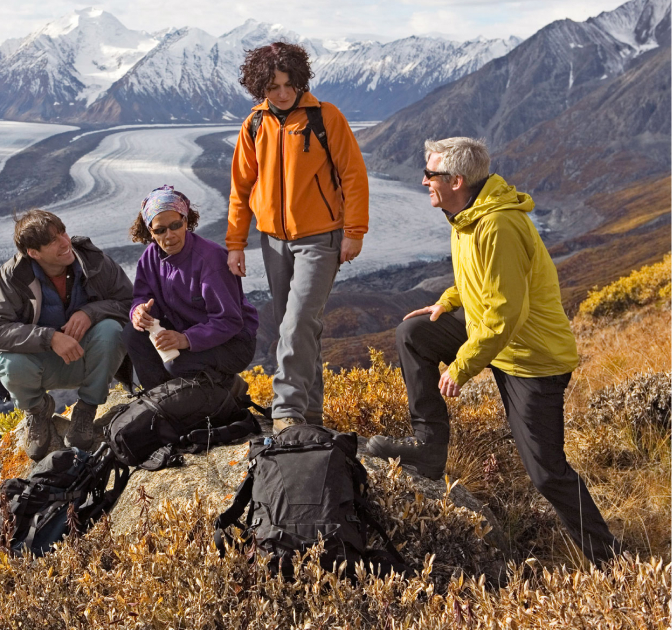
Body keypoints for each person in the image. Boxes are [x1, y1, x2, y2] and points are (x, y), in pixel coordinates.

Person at [367, 137, 621, 565]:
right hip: (496, 337)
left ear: (457, 180)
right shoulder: (466, 214)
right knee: (414, 333)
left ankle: (609, 558)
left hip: (531, 358)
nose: (423, 181)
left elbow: (506, 313)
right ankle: (429, 448)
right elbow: (480, 281)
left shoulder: (497, 224)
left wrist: (462, 366)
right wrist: (448, 299)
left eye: (430, 174)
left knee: (546, 472)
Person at [227, 42, 369, 432]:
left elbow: (353, 176)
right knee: (301, 328)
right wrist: (235, 243)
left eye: (288, 84)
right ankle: (312, 417)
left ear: (299, 80)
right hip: (272, 241)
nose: (283, 93)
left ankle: (286, 411)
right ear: (261, 88)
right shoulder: (254, 125)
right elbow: (241, 188)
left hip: (320, 238)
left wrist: (354, 232)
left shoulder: (325, 118)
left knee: (297, 323)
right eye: (273, 87)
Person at [0, 209, 132, 460]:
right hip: (42, 364)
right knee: (9, 362)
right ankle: (38, 411)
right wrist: (49, 337)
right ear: (33, 253)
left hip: (88, 358)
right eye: (52, 241)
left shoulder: (93, 262)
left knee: (111, 330)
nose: (65, 242)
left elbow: (130, 303)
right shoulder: (13, 276)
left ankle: (86, 410)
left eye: (62, 232)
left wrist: (90, 312)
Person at [122, 185, 258, 392]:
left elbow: (229, 320)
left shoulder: (210, 260)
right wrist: (139, 311)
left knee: (177, 363)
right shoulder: (150, 258)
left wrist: (186, 340)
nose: (169, 235)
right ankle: (160, 400)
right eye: (160, 230)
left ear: (186, 221)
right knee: (133, 333)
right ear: (150, 230)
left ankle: (229, 389)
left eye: (175, 225)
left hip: (233, 343)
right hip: (186, 330)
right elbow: (142, 296)